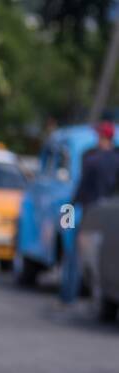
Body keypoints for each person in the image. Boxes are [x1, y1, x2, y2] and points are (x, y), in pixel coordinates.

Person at [62, 120, 119, 303]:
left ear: (101, 137)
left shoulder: (91, 160)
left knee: (72, 255)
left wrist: (66, 219)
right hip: (111, 218)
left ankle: (68, 297)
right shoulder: (117, 160)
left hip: (91, 215)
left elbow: (80, 191)